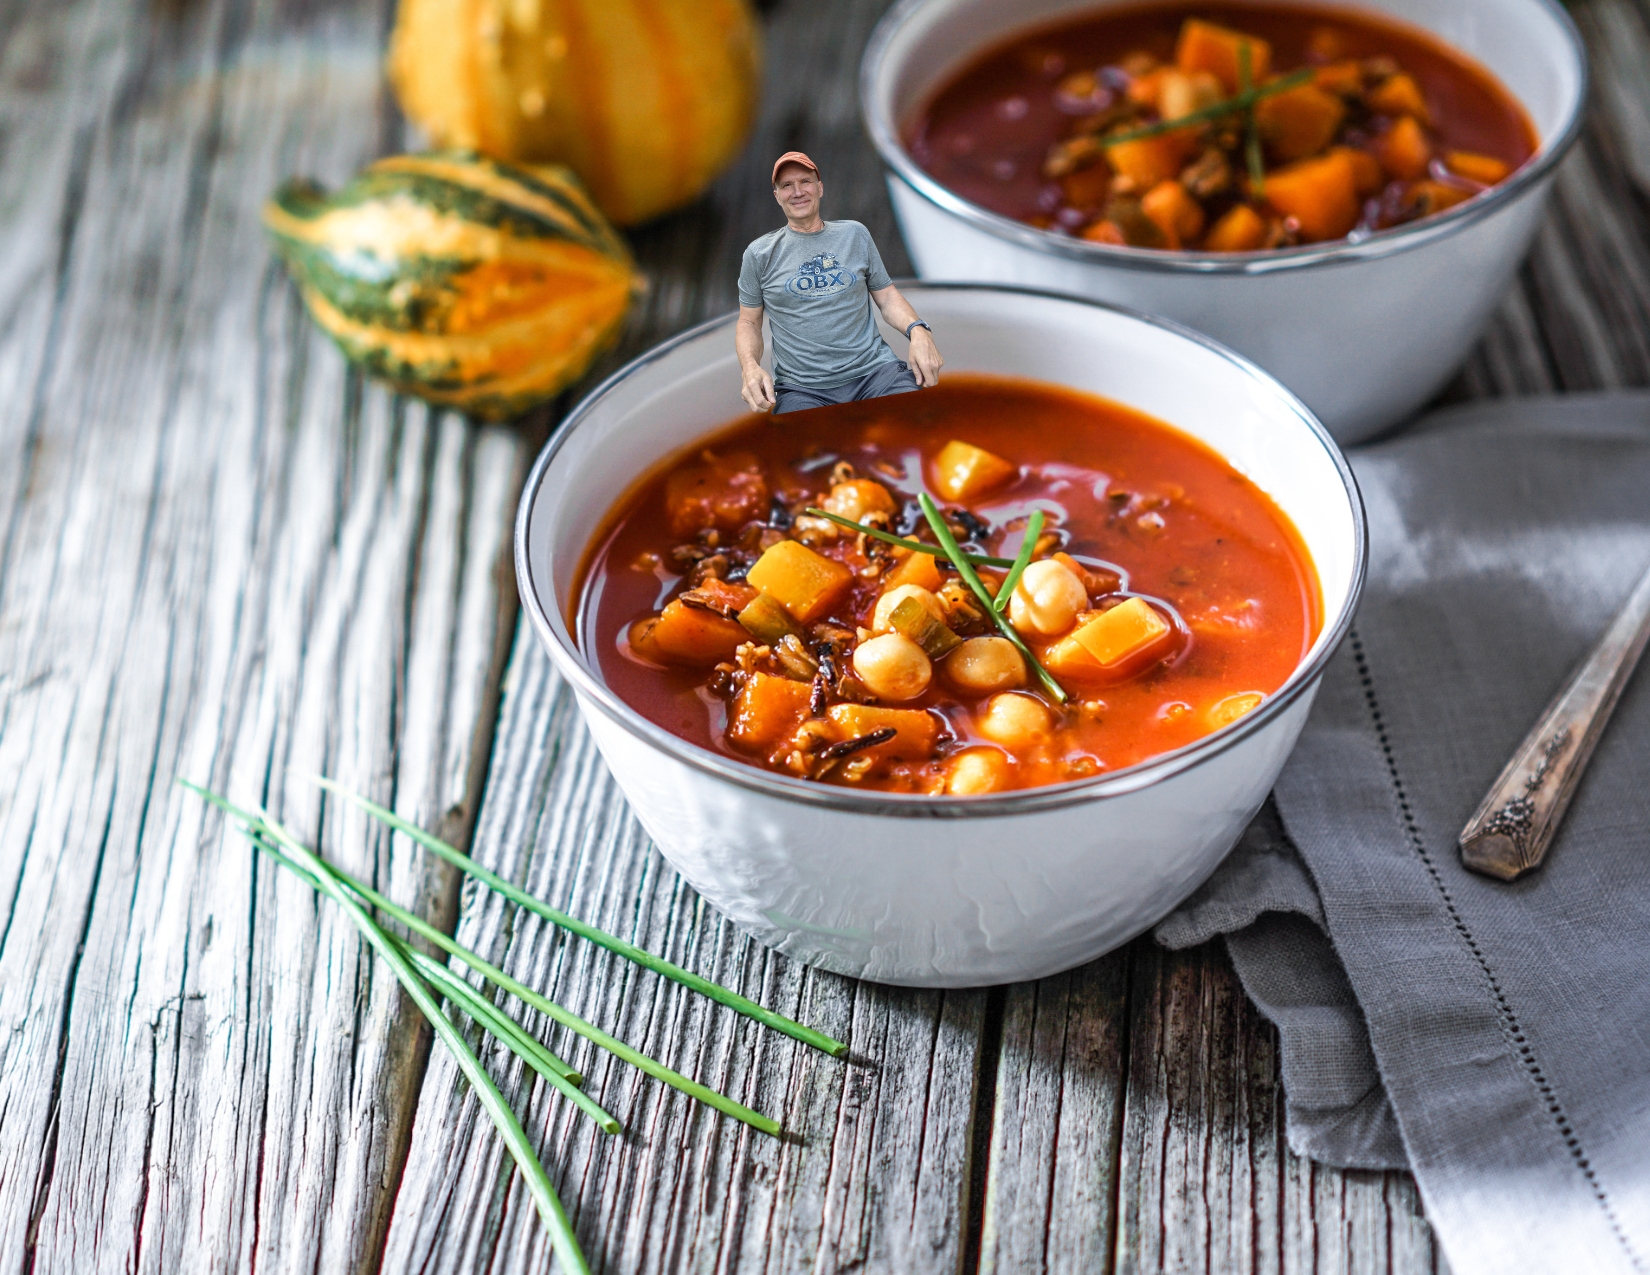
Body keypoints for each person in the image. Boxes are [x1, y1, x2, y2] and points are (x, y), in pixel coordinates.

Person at [736, 151, 943, 415]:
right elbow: (748, 321)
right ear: (777, 196)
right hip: (803, 389)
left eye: (805, 181)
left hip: (876, 374)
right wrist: (750, 367)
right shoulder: (759, 254)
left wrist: (919, 331)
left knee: (916, 428)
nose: (798, 191)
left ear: (820, 188)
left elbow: (887, 296)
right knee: (807, 454)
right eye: (787, 185)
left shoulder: (855, 234)